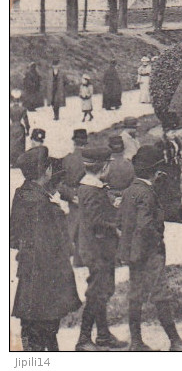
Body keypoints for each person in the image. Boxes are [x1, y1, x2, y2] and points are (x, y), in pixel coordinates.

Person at [118, 145, 182, 351]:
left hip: (132, 252)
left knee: (135, 296)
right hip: (149, 252)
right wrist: (155, 243)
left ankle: (136, 342)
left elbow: (124, 222)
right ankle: (175, 341)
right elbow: (145, 226)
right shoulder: (147, 193)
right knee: (160, 294)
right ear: (155, 172)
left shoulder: (129, 191)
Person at [11, 146, 82, 351]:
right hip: (46, 282)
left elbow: (12, 238)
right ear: (46, 171)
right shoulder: (48, 209)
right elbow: (62, 250)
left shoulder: (21, 195)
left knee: (31, 331)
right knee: (47, 333)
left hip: (28, 275)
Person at [75, 145, 129, 351]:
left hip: (99, 248)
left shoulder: (93, 186)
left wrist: (112, 205)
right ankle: (83, 339)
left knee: (103, 290)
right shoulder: (91, 189)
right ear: (104, 167)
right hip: (96, 249)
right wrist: (116, 227)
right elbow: (95, 221)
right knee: (97, 292)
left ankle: (103, 336)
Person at [58, 128, 90, 267]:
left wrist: (71, 196)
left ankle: (73, 257)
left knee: (74, 224)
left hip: (73, 197)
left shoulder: (67, 159)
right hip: (88, 195)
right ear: (86, 143)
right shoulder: (90, 159)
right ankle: (82, 258)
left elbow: (60, 184)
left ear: (74, 142)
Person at [106, 135, 136, 200]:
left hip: (110, 196)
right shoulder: (130, 163)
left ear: (110, 148)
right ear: (123, 148)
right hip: (127, 195)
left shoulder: (106, 165)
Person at [10, 89, 30, 168]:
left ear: (12, 99)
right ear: (19, 99)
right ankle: (19, 161)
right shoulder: (23, 109)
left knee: (12, 145)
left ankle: (12, 161)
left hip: (11, 127)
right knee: (20, 146)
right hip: (20, 127)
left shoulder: (9, 109)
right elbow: (26, 120)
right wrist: (28, 129)